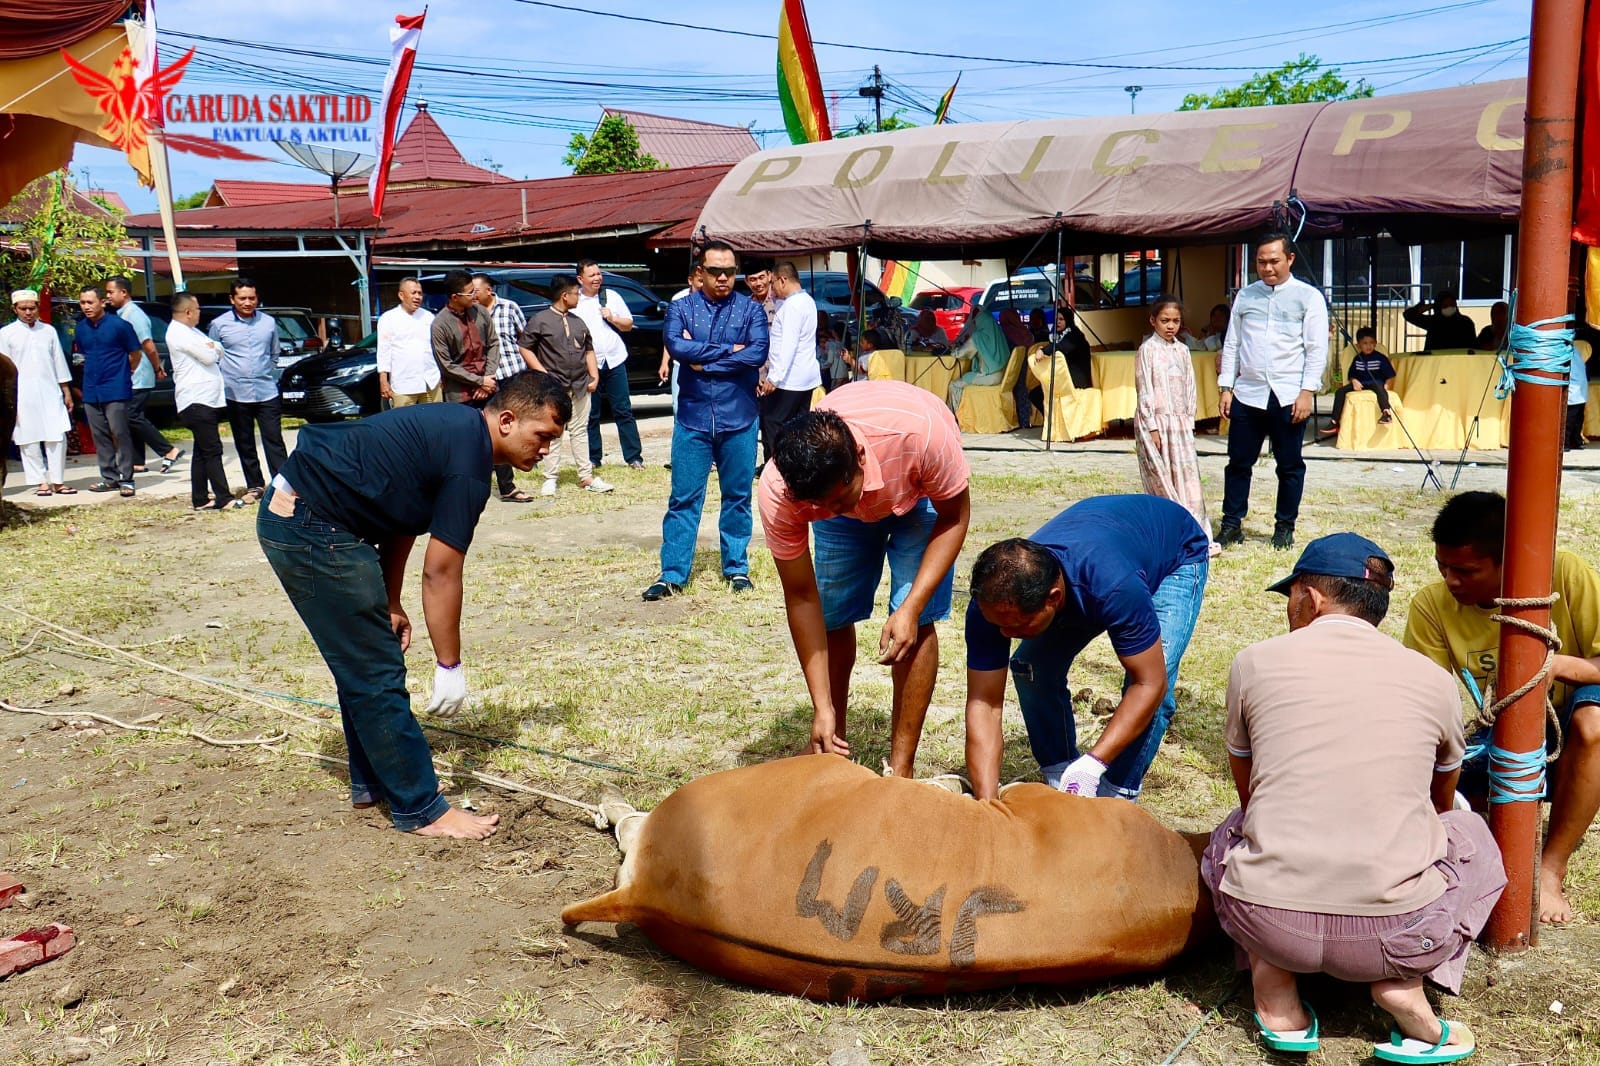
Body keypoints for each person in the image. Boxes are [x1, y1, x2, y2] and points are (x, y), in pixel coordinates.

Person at [1205, 533, 1502, 1063]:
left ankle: (1275, 991)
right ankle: (1407, 983)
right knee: (1472, 831)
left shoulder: (1254, 662)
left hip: (1272, 924)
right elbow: (1440, 802)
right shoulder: (1433, 680)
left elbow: (1249, 792)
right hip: (1396, 931)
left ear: (1311, 597)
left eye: (1290, 596)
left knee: (1233, 828)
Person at [258, 371, 570, 839]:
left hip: (318, 516)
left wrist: (388, 600)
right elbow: (441, 572)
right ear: (506, 420)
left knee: (368, 655)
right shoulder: (469, 465)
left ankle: (374, 782)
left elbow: (402, 516)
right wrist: (449, 665)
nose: (546, 450)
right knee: (373, 669)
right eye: (542, 436)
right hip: (306, 519)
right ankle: (422, 807)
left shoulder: (459, 434)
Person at [1403, 490, 1600, 925]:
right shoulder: (1432, 605)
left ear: (1508, 563)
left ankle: (1551, 868)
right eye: (1443, 567)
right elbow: (1422, 702)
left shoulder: (1565, 573)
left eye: (1466, 570)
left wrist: (1557, 667)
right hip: (1499, 732)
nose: (1451, 580)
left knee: (1596, 723)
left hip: (1570, 721)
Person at [758, 382, 971, 775]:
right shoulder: (781, 490)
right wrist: (821, 707)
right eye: (819, 506)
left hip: (915, 491)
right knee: (834, 612)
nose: (833, 511)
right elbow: (803, 597)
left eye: (840, 499)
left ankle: (901, 769)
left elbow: (954, 516)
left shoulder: (923, 436)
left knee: (915, 623)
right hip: (857, 482)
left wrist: (911, 607)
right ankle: (830, 744)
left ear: (857, 456)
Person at [963, 495, 1210, 801]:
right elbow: (984, 705)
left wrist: (1095, 764)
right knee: (1031, 668)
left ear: (1053, 599)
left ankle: (1116, 794)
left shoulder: (1114, 587)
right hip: (1102, 542)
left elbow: (1150, 683)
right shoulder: (991, 607)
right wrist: (988, 804)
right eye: (998, 624)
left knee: (1151, 689)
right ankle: (1062, 778)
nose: (1005, 634)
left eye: (1017, 626)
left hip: (1173, 552)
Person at [643, 240, 769, 600]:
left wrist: (706, 359)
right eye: (715, 271)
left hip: (739, 418)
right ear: (700, 273)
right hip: (693, 418)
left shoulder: (751, 311)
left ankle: (736, 569)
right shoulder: (680, 309)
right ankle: (672, 574)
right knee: (683, 498)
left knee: (738, 496)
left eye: (730, 271)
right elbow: (678, 348)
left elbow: (757, 353)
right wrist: (733, 352)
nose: (724, 278)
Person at [1218, 233, 1328, 550]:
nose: (1267, 268)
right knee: (1238, 463)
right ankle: (1231, 523)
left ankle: (1284, 526)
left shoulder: (1307, 297)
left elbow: (1316, 349)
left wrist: (1307, 392)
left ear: (1289, 259)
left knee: (1289, 465)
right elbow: (1233, 344)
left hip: (1288, 394)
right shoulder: (1245, 296)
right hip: (1248, 393)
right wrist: (1227, 386)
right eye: (1261, 262)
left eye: (1274, 261)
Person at [519, 274, 610, 497]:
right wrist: (541, 372)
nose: (578, 297)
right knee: (552, 433)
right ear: (564, 295)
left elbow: (589, 350)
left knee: (580, 431)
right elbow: (525, 347)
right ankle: (550, 478)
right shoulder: (541, 320)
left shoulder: (579, 322)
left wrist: (594, 375)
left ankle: (586, 476)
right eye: (576, 293)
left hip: (580, 385)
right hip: (553, 388)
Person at [1136, 295, 1214, 553]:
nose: (1170, 326)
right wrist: (1152, 426)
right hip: (1156, 421)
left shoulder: (1182, 350)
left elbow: (1190, 386)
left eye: (1176, 321)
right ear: (1153, 321)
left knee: (1188, 480)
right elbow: (1144, 388)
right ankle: (1170, 536)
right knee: (1163, 480)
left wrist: (1188, 420)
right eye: (1165, 320)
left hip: (1180, 423)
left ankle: (1196, 533)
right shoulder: (1147, 350)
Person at [209, 277, 286, 502]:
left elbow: (274, 354)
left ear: (257, 298)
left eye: (252, 298)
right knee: (244, 441)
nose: (247, 302)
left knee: (274, 439)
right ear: (232, 299)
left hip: (266, 391)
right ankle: (255, 485)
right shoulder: (219, 324)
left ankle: (283, 485)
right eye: (242, 298)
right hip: (236, 392)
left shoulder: (268, 323)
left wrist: (266, 372)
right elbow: (213, 355)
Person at [166, 292, 242, 512]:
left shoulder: (191, 331)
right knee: (212, 450)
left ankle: (199, 498)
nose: (200, 312)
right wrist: (213, 349)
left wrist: (214, 348)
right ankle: (223, 497)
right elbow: (210, 355)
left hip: (207, 399)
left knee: (201, 450)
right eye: (197, 309)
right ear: (188, 312)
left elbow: (217, 347)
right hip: (196, 400)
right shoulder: (179, 333)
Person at [105, 276, 183, 475]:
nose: (107, 297)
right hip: (129, 374)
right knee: (133, 416)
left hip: (139, 374)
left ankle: (168, 450)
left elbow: (148, 345)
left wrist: (157, 368)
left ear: (123, 292)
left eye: (110, 292)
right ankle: (137, 461)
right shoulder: (122, 314)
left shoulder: (134, 315)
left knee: (131, 415)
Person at [1, 289, 75, 496]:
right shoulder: (6, 334)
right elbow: (5, 370)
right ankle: (40, 481)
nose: (28, 312)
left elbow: (58, 361)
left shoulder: (48, 331)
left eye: (31, 308)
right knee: (28, 437)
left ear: (37, 308)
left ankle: (58, 481)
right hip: (21, 393)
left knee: (57, 435)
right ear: (15, 309)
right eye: (23, 308)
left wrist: (65, 390)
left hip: (50, 389)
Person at [470, 273, 534, 502]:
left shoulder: (510, 307)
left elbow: (524, 339)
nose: (473, 295)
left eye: (476, 291)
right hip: (486, 382)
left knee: (517, 427)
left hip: (512, 376)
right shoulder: (471, 313)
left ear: (489, 290)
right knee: (494, 431)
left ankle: (524, 464)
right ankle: (504, 486)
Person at [573, 259, 643, 472]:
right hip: (588, 365)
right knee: (591, 413)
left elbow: (629, 324)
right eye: (592, 275)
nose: (597, 278)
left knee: (623, 409)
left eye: (598, 274)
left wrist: (612, 318)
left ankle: (634, 457)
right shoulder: (575, 301)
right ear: (580, 279)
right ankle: (594, 457)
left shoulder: (611, 297)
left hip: (614, 359)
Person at [74, 285, 143, 497]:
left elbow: (135, 353)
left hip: (115, 387)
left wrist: (126, 372)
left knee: (119, 432)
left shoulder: (120, 326)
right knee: (99, 434)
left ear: (102, 302)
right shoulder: (81, 328)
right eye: (83, 303)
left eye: (90, 302)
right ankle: (109, 477)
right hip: (91, 388)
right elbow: (81, 356)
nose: (86, 307)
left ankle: (126, 478)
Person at [758, 262, 821, 468]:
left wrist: (774, 377)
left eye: (773, 283)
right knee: (799, 424)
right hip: (805, 375)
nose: (772, 289)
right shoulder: (806, 301)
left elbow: (787, 345)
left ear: (783, 280)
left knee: (772, 421)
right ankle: (801, 463)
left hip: (788, 379)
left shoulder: (792, 307)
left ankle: (779, 466)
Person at [430, 269, 501, 407]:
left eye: (474, 290)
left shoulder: (481, 312)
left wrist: (487, 378)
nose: (474, 296)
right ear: (455, 297)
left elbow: (493, 344)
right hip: (460, 396)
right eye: (470, 293)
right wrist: (479, 381)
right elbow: (446, 365)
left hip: (489, 388)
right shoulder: (440, 325)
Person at [1321, 326, 1397, 437]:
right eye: (1365, 343)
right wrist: (1354, 381)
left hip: (1376, 382)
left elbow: (1390, 374)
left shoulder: (1380, 358)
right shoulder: (1357, 358)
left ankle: (1386, 413)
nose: (1368, 346)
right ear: (1358, 345)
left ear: (1375, 343)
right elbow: (1351, 374)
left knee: (1380, 389)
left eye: (1371, 343)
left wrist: (1386, 385)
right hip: (1361, 383)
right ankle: (1334, 422)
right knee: (1340, 392)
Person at [377, 278, 440, 408]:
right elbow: (384, 351)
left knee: (433, 422)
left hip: (431, 380)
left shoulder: (429, 317)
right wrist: (383, 380)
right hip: (403, 383)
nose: (417, 297)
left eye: (420, 293)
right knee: (403, 423)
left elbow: (437, 348)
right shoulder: (388, 318)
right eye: (413, 293)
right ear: (401, 295)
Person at [946, 308, 1011, 411]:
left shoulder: (978, 337)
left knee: (954, 385)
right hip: (1003, 375)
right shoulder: (998, 333)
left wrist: (953, 349)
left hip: (988, 376)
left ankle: (956, 416)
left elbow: (961, 354)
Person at [1404, 290, 1479, 352]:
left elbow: (1473, 348)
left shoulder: (1465, 322)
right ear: (1439, 307)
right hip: (1437, 365)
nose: (1449, 308)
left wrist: (1432, 306)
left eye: (1452, 305)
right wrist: (1432, 305)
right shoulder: (1434, 322)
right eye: (1445, 306)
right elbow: (1409, 315)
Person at [816, 311, 848, 391]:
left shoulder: (831, 344)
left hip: (835, 373)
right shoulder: (842, 344)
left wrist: (823, 367)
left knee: (833, 391)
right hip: (844, 372)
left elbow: (830, 361)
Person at [744, 260, 777, 326]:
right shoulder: (745, 306)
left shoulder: (780, 299)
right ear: (747, 281)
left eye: (761, 278)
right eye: (753, 280)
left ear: (769, 276)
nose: (758, 283)